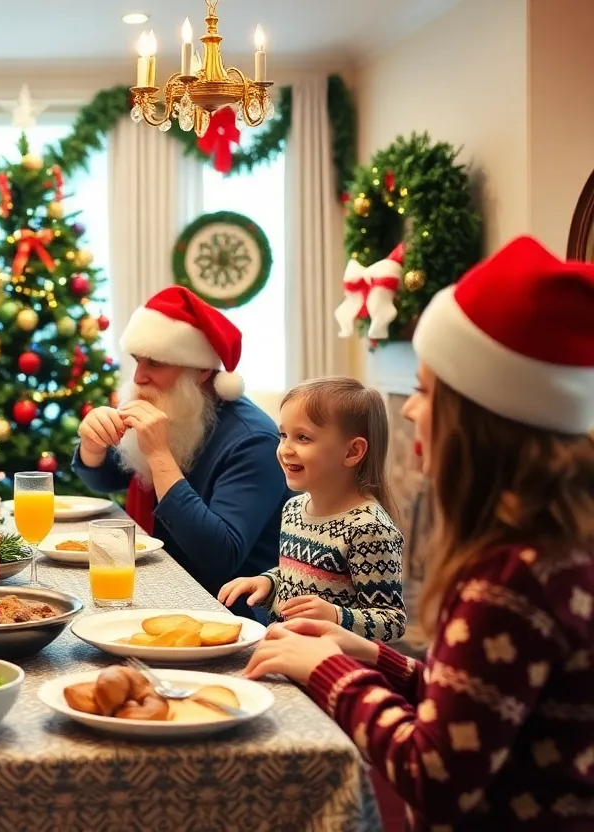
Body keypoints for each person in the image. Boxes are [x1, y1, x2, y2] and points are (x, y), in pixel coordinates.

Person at [244, 237, 594, 830]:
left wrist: (328, 669)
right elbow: (474, 700)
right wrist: (374, 656)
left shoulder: (511, 579)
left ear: (481, 418)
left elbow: (434, 774)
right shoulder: (549, 552)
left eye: (427, 391)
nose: (408, 410)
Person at [73, 286, 292, 613]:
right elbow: (109, 480)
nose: (138, 376)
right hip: (157, 588)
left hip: (225, 612)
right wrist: (93, 446)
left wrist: (160, 457)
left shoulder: (255, 441)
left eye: (155, 363)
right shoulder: (176, 404)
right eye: (136, 360)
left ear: (202, 369)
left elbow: (220, 556)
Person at [218, 377, 406, 643]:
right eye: (283, 435)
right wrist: (269, 582)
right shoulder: (294, 509)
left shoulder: (369, 529)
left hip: (333, 669)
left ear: (353, 451)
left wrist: (336, 616)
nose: (285, 449)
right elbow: (299, 574)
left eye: (303, 438)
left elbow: (391, 621)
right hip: (286, 653)